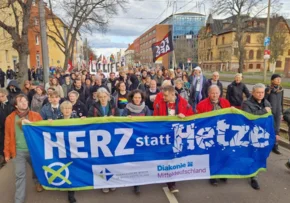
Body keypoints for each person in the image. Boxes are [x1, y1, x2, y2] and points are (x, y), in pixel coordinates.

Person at [153, 85, 194, 193]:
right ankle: (171, 183)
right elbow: (154, 119)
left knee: (175, 158)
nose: (163, 97)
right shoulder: (159, 104)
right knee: (168, 158)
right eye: (163, 95)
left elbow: (192, 116)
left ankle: (172, 179)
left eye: (165, 95)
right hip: (165, 136)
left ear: (172, 94)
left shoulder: (184, 103)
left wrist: (184, 116)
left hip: (178, 136)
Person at [4, 94, 44, 203]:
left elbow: (42, 131)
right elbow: (7, 136)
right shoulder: (10, 118)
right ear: (16, 105)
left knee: (37, 169)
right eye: (21, 101)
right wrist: (7, 153)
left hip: (34, 150)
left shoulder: (35, 115)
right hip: (18, 151)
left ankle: (37, 183)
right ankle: (19, 200)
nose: (24, 102)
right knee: (19, 175)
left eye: (25, 100)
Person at [196, 85, 231, 186]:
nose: (214, 95)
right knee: (213, 155)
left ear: (220, 94)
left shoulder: (226, 103)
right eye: (212, 93)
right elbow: (198, 119)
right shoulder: (202, 104)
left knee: (224, 153)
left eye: (216, 93)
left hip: (223, 132)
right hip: (209, 133)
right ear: (208, 94)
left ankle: (222, 173)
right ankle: (213, 175)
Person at [242, 83, 272, 190]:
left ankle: (254, 174)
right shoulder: (246, 103)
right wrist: (264, 111)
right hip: (250, 133)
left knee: (257, 154)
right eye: (258, 92)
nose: (260, 94)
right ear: (253, 92)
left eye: (262, 92)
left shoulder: (266, 102)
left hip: (262, 133)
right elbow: (249, 117)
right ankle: (250, 174)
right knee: (249, 153)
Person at [121, 89, 150, 194]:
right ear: (132, 98)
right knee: (133, 161)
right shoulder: (127, 109)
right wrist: (126, 119)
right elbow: (121, 122)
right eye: (135, 97)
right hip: (130, 138)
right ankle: (135, 183)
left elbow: (150, 122)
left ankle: (138, 182)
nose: (137, 99)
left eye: (139, 98)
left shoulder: (145, 108)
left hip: (141, 138)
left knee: (141, 160)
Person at [59, 101, 78, 203]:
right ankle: (67, 187)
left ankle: (72, 190)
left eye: (69, 108)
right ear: (61, 110)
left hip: (74, 148)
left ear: (71, 110)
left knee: (73, 168)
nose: (67, 110)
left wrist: (86, 121)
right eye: (65, 108)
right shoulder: (57, 119)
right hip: (62, 148)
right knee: (65, 167)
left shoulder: (77, 119)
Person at [265, 74, 283, 155]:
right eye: (277, 79)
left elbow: (281, 102)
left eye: (280, 79)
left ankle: (275, 146)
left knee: (277, 129)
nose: (279, 80)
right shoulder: (268, 89)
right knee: (270, 128)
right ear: (272, 80)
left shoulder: (281, 90)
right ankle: (268, 144)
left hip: (278, 112)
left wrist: (281, 112)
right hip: (270, 112)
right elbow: (264, 100)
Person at [0, 88, 13, 167]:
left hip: (9, 128)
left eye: (2, 96)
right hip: (1, 128)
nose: (0, 98)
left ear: (6, 95)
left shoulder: (11, 105)